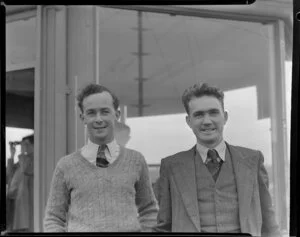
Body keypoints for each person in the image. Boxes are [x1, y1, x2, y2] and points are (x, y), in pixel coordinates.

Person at [153, 82, 281, 237]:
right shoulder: (171, 166)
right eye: (199, 115)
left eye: (213, 112)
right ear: (189, 121)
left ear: (225, 117)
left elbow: (269, 224)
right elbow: (164, 227)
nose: (207, 121)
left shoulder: (253, 160)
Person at [44, 83, 158, 232]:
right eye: (91, 113)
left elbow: (149, 210)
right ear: (82, 117)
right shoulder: (65, 166)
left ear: (116, 115)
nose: (98, 119)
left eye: (105, 112)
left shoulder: (136, 161)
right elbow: (54, 218)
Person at [6, 134, 34, 232]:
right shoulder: (23, 159)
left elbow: (25, 169)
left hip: (26, 204)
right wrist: (12, 155)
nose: (24, 146)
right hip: (14, 199)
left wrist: (22, 153)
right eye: (23, 144)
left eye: (26, 144)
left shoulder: (34, 158)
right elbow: (9, 174)